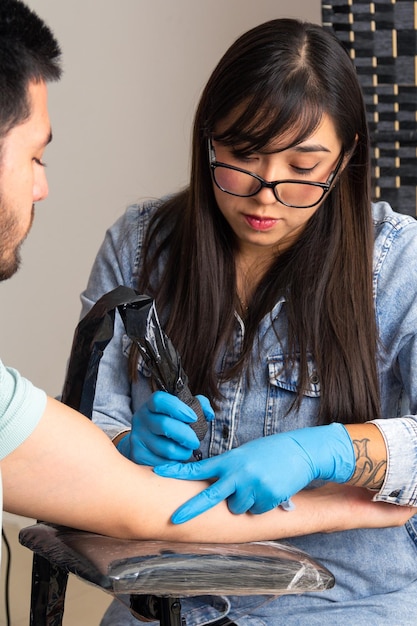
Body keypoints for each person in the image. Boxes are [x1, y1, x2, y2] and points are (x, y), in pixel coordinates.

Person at [2, 0, 405, 577]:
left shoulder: (395, 260)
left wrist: (335, 451)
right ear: (207, 141)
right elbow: (83, 455)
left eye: (303, 166)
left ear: (344, 162)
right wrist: (120, 448)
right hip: (168, 592)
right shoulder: (141, 245)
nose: (266, 193)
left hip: (345, 596)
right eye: (243, 156)